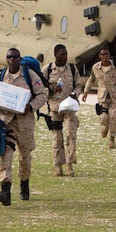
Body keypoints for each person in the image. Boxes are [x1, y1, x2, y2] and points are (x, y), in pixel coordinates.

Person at [0, 48, 48, 205]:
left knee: (25, 156)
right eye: (9, 57)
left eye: (14, 57)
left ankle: (24, 183)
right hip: (6, 122)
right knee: (5, 153)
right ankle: (5, 189)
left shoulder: (29, 75)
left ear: (19, 59)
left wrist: (31, 106)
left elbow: (42, 94)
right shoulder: (1, 76)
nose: (11, 60)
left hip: (25, 122)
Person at [43, 45, 82, 176]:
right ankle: (58, 166)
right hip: (54, 109)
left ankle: (70, 164)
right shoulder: (47, 70)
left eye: (66, 54)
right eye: (62, 54)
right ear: (55, 55)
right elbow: (40, 88)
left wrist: (75, 93)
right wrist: (52, 90)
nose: (64, 57)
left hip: (69, 109)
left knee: (71, 135)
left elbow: (78, 84)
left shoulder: (72, 68)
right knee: (57, 138)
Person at [81, 47, 116, 149]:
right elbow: (91, 79)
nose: (105, 56)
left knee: (113, 117)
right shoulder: (96, 68)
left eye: (106, 54)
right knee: (104, 118)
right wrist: (86, 92)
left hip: (115, 96)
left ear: (109, 55)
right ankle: (105, 127)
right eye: (102, 54)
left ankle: (112, 139)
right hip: (102, 97)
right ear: (99, 56)